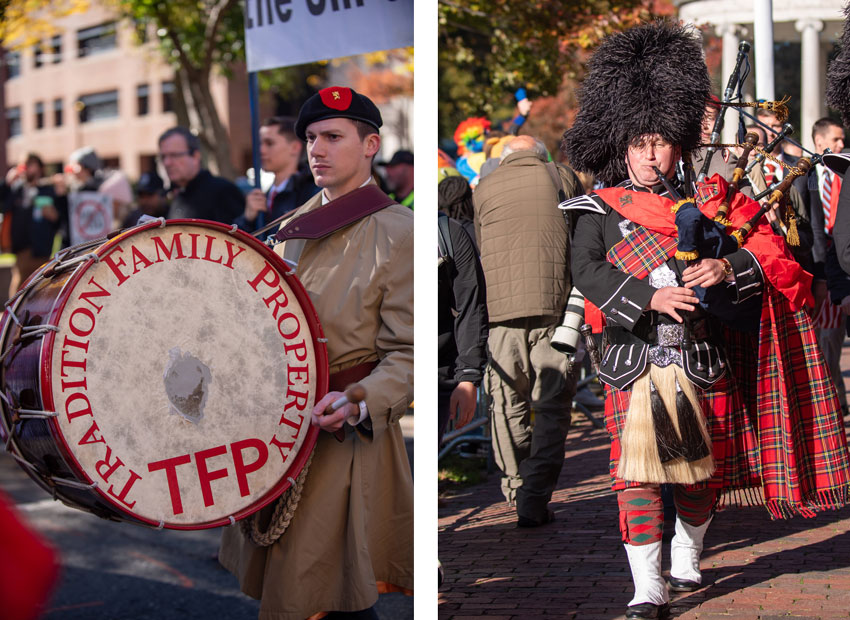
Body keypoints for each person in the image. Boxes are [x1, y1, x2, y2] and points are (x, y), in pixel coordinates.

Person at [562, 21, 850, 620]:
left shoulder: (713, 200)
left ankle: (687, 553)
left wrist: (726, 268)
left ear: (678, 144)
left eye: (660, 142)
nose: (647, 154)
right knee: (633, 476)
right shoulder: (598, 208)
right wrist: (648, 297)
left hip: (699, 355)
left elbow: (765, 254)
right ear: (619, 142)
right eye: (638, 141)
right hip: (628, 356)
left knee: (698, 472)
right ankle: (647, 586)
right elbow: (584, 270)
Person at [219, 86, 413, 619]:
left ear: (371, 144)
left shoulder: (401, 234)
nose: (316, 150)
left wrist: (359, 401)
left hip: (344, 437)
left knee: (327, 591)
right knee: (309, 588)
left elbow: (410, 354)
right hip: (277, 433)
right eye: (310, 138)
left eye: (333, 137)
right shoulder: (289, 224)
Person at [472, 133, 582, 527]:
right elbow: (581, 237)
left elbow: (481, 248)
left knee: (506, 406)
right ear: (540, 156)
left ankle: (516, 485)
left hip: (501, 316)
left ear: (504, 159)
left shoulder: (483, 188)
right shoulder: (561, 177)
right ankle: (535, 493)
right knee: (551, 407)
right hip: (557, 312)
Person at [793, 118, 848, 414]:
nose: (842, 145)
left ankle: (834, 400)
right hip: (820, 264)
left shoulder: (845, 174)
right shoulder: (805, 174)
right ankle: (834, 401)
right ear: (819, 141)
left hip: (841, 264)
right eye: (837, 140)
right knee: (822, 339)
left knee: (832, 338)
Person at [438, 211, 488, 445]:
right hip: (378, 376)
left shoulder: (449, 233)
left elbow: (471, 308)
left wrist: (468, 378)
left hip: (437, 377)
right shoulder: (379, 225)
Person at [234, 116, 319, 240]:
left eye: (269, 143)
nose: (261, 150)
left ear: (294, 147)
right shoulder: (264, 194)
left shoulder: (311, 193)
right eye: (260, 143)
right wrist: (247, 219)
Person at [0, 154, 67, 297]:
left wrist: (54, 214)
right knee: (20, 285)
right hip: (22, 246)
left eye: (30, 164)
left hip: (43, 246)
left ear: (40, 168)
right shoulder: (16, 188)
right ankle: (15, 317)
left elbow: (62, 219)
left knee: (42, 286)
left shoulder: (48, 189)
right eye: (24, 164)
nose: (26, 168)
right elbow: (3, 206)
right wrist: (6, 183)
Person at [157, 126, 245, 224]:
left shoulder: (222, 191)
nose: (167, 163)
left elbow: (237, 236)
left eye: (174, 155)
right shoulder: (178, 195)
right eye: (163, 157)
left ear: (195, 156)